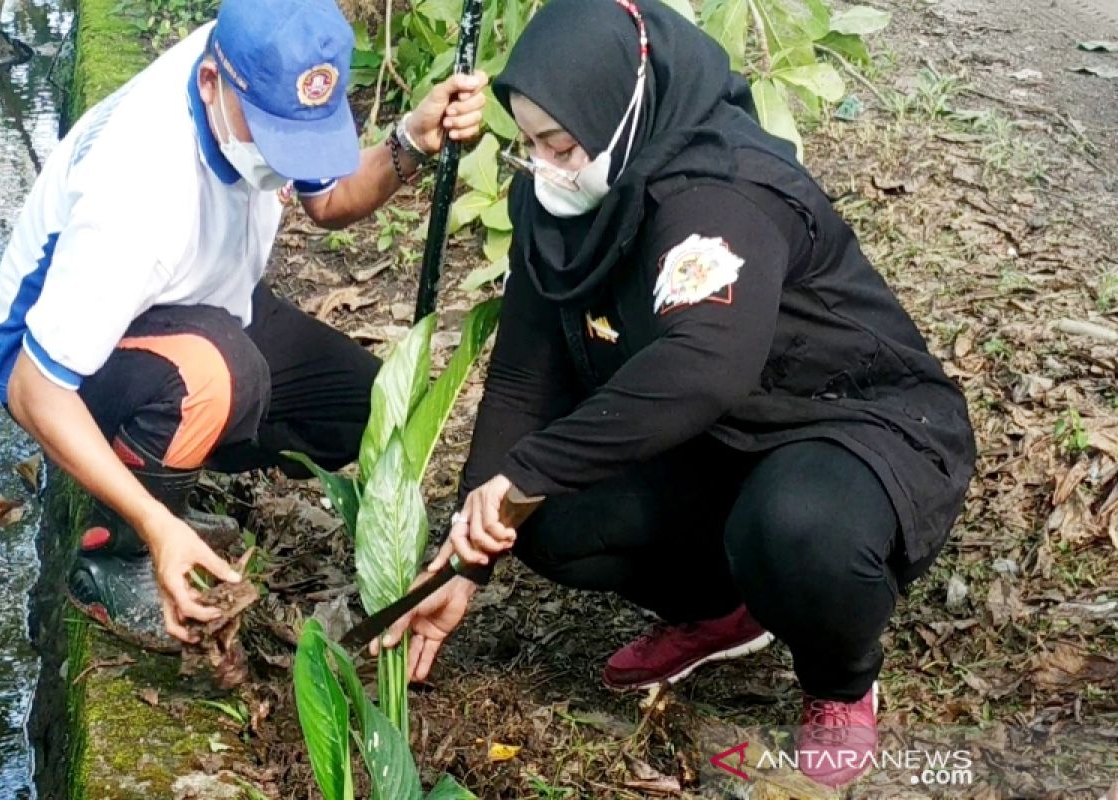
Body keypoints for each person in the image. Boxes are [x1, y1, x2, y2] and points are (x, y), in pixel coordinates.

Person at [381, 0, 975, 787]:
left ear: (621, 111)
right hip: (706, 435)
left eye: (560, 144)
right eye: (528, 144)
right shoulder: (558, 198)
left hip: (839, 421)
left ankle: (840, 681)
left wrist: (529, 471)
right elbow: (525, 376)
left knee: (797, 531)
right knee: (546, 521)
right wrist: (469, 553)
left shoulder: (719, 191)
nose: (546, 164)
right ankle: (724, 610)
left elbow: (707, 364)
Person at [0, 0, 486, 650]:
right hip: (56, 356)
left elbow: (329, 200)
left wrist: (410, 142)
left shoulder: (266, 68)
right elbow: (34, 389)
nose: (288, 161)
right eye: (274, 137)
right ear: (210, 83)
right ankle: (120, 552)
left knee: (367, 412)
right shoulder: (135, 193)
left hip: (202, 295)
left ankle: (169, 465)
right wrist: (154, 523)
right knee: (221, 377)